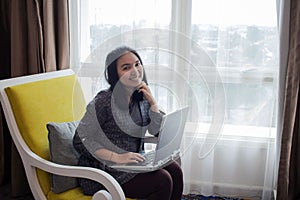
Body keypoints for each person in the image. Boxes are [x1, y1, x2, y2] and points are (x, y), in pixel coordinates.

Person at [73, 46, 183, 200]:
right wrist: (116, 157)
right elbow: (80, 140)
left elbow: (156, 130)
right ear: (114, 75)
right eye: (126, 67)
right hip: (106, 171)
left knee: (175, 170)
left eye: (137, 64)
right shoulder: (103, 102)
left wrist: (153, 104)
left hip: (133, 163)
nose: (135, 70)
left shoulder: (141, 96)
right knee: (163, 180)